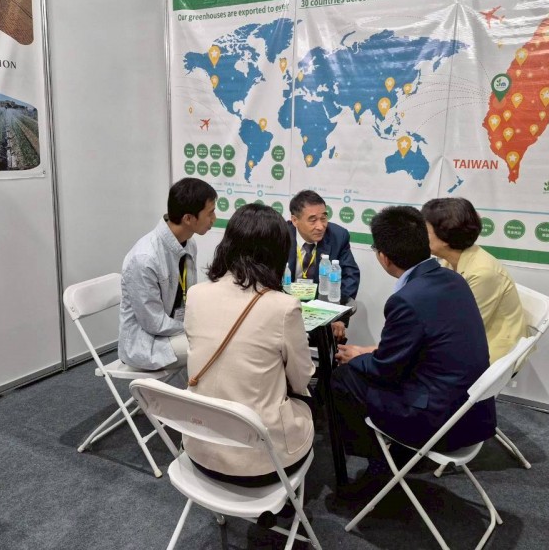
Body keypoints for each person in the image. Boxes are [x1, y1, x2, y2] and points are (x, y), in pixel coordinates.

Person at [331, 205, 496, 494]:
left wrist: (357, 357)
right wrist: (368, 355)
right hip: (473, 412)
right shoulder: (452, 279)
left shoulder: (407, 299)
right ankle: (393, 456)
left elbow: (385, 370)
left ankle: (380, 468)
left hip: (441, 422)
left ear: (383, 257)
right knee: (358, 366)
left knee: (341, 380)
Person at [183, 203, 315, 485]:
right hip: (260, 463)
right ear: (279, 253)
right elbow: (301, 378)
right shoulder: (284, 307)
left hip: (199, 450)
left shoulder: (196, 294)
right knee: (306, 408)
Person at [117, 178, 217, 371]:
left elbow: (187, 299)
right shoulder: (144, 258)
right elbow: (154, 323)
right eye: (210, 212)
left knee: (221, 333)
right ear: (188, 219)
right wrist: (196, 327)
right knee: (215, 344)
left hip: (174, 331)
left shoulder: (189, 243)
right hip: (148, 344)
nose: (214, 218)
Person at [421, 197, 527, 364]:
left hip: (492, 355)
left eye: (425, 231)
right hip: (462, 343)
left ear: (445, 238)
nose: (419, 236)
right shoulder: (450, 260)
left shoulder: (482, 274)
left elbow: (463, 330)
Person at [287, 190, 360, 341]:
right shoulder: (280, 235)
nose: (320, 226)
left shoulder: (338, 236)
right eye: (312, 220)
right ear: (295, 220)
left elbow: (350, 276)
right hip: (285, 308)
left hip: (321, 309)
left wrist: (340, 317)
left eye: (323, 218)